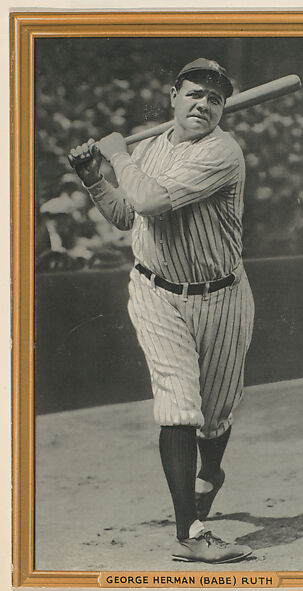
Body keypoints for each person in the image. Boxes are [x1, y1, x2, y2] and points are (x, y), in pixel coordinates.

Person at [68, 58, 255, 564]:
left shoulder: (222, 150)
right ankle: (190, 532)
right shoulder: (148, 148)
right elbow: (126, 215)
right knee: (178, 404)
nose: (204, 105)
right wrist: (95, 179)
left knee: (214, 417)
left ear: (223, 110)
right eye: (195, 94)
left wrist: (116, 154)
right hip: (155, 290)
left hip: (221, 296)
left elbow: (148, 200)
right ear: (173, 96)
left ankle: (210, 474)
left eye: (215, 99)